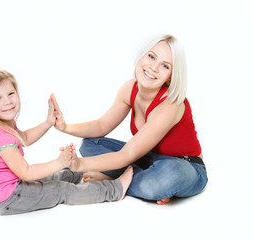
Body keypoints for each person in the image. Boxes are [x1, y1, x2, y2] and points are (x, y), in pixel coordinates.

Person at [52, 34, 208, 205]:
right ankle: (141, 181)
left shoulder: (170, 106)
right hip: (147, 157)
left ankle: (121, 181)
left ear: (171, 76)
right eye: (151, 56)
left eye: (165, 66)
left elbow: (127, 154)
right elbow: (101, 125)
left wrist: (80, 164)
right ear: (142, 55)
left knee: (165, 177)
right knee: (89, 144)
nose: (153, 67)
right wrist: (65, 127)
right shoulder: (129, 88)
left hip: (185, 166)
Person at [0, 69, 133, 215]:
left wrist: (48, 123)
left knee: (55, 175)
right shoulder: (2, 137)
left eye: (10, 93)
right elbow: (27, 173)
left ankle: (86, 175)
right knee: (61, 190)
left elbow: (25, 138)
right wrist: (59, 162)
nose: (7, 101)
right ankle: (115, 190)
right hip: (4, 200)